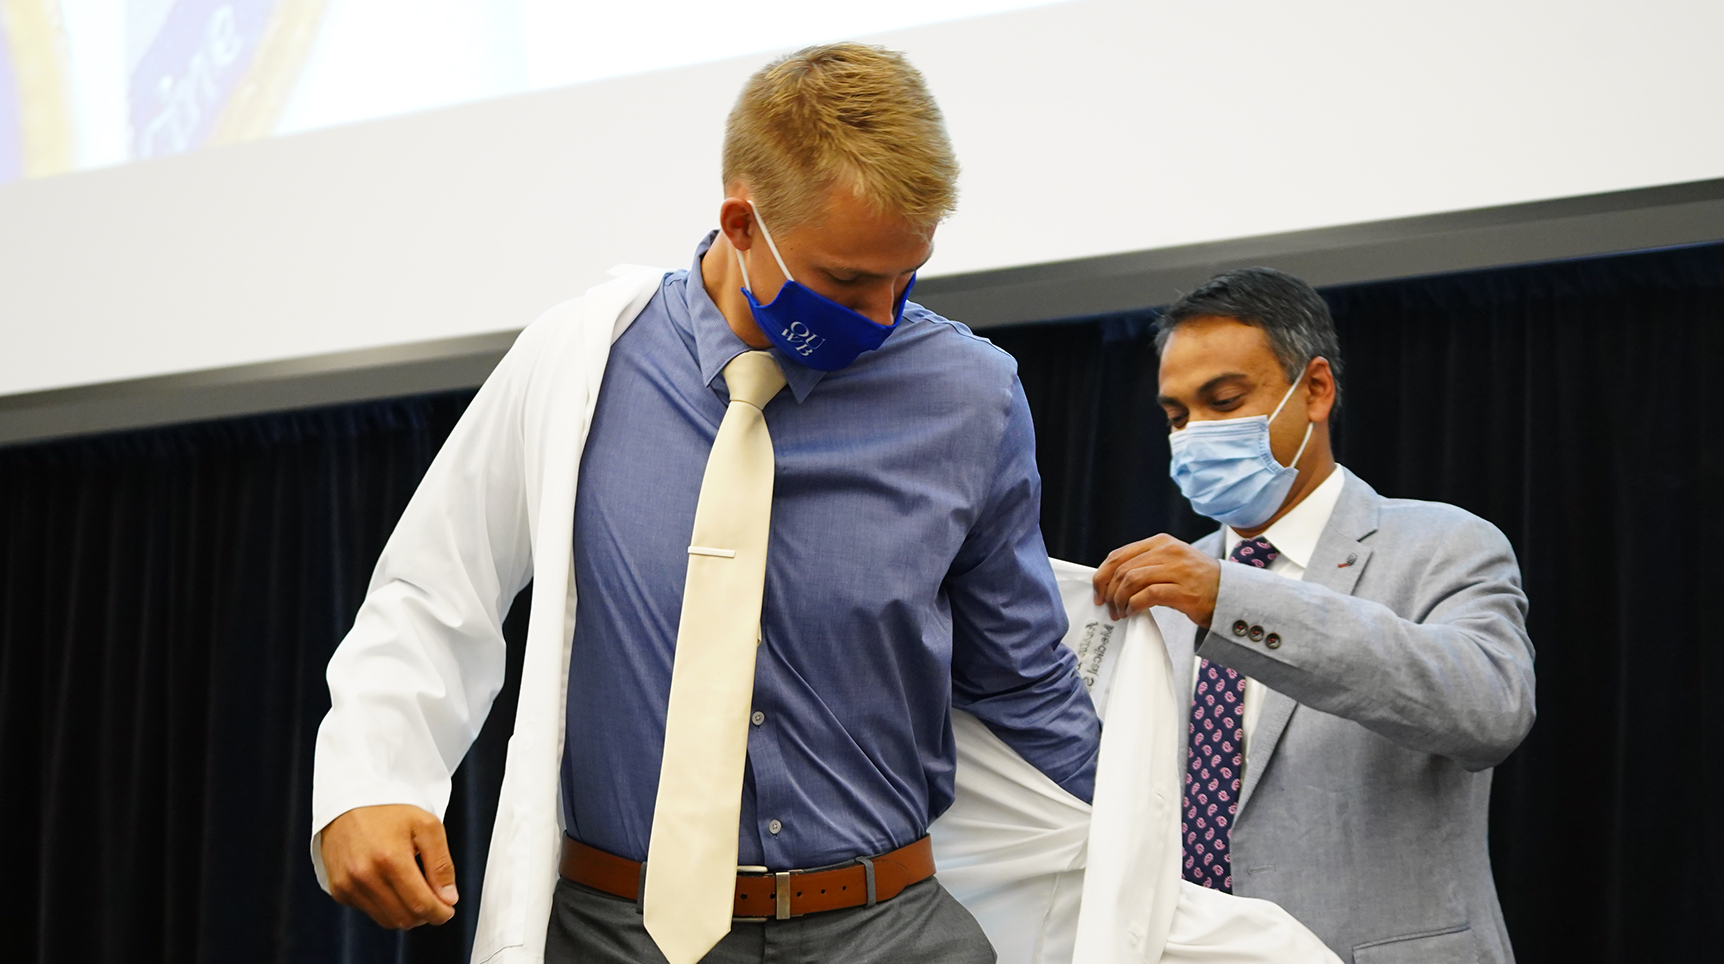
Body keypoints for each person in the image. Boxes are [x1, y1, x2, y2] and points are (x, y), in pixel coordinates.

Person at [310, 43, 1100, 964]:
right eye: (847, 281)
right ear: (740, 222)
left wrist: (1142, 863)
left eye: (907, 274)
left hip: (887, 931)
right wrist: (368, 779)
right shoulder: (578, 361)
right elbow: (438, 585)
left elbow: (1022, 678)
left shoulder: (971, 395)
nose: (884, 314)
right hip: (614, 931)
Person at [1092, 267, 1536, 964]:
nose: (1194, 434)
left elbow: (1492, 708)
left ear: (1317, 389)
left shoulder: (1443, 544)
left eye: (1225, 400)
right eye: (1177, 416)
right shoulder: (1157, 592)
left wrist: (1232, 602)